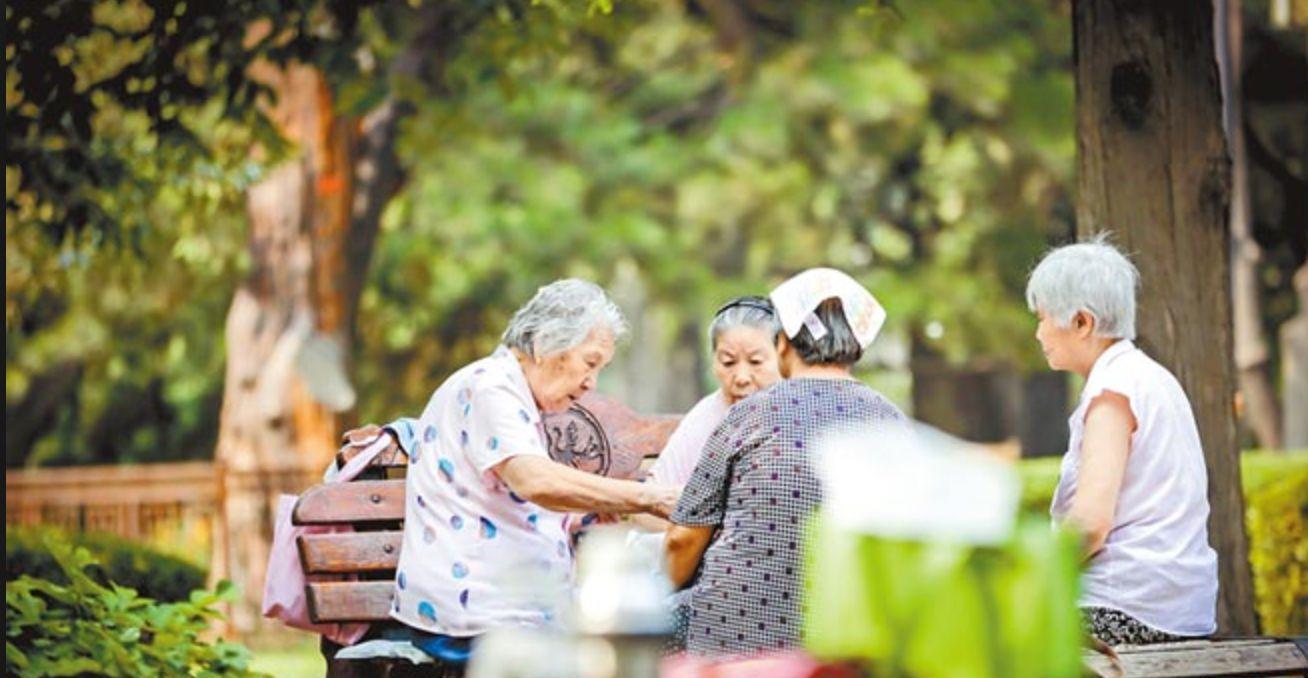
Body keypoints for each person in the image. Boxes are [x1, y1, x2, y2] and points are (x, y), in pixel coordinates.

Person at [374, 279, 680, 662]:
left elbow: (515, 500)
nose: (591, 383)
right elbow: (533, 480)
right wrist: (650, 497)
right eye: (590, 362)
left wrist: (595, 513)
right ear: (546, 344)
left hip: (511, 614)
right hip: (475, 622)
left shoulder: (514, 394)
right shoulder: (490, 388)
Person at [664, 268, 906, 657]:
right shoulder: (891, 422)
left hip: (730, 642)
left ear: (782, 345)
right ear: (856, 346)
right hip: (843, 643)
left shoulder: (748, 415)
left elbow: (682, 540)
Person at [1026, 236, 1217, 646]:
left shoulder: (1113, 391)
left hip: (1125, 607)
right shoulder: (1151, 377)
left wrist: (1029, 577)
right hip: (1181, 610)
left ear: (1082, 322)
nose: (1038, 333)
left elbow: (1090, 525)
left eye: (1042, 318)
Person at [645, 295, 783, 488]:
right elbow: (657, 492)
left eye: (755, 362)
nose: (741, 377)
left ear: (784, 358)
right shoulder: (706, 416)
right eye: (728, 362)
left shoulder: (799, 411)